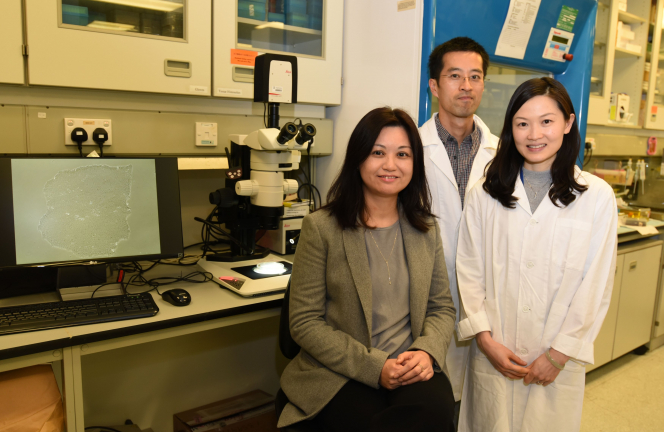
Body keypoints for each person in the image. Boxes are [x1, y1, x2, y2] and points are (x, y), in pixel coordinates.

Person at [277, 107, 457, 432]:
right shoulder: (322, 228)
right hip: (339, 369)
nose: (390, 165)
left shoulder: (425, 229)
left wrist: (426, 351)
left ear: (414, 163)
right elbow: (304, 322)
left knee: (436, 412)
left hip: (408, 361)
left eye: (402, 154)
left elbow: (441, 307)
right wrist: (374, 367)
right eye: (378, 153)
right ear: (358, 158)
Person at [455, 77, 618, 432]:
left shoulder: (596, 197)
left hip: (555, 357)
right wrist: (484, 339)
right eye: (522, 123)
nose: (534, 134)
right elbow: (469, 268)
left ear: (568, 124)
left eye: (546, 121)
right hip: (494, 352)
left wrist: (559, 355)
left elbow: (596, 284)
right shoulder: (484, 191)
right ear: (510, 127)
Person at [419, 36, 499, 404]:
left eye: (475, 76)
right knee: (433, 400)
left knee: (482, 402)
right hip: (426, 296)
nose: (466, 86)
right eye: (455, 76)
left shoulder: (503, 154)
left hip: (488, 297)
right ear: (435, 85)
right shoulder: (411, 151)